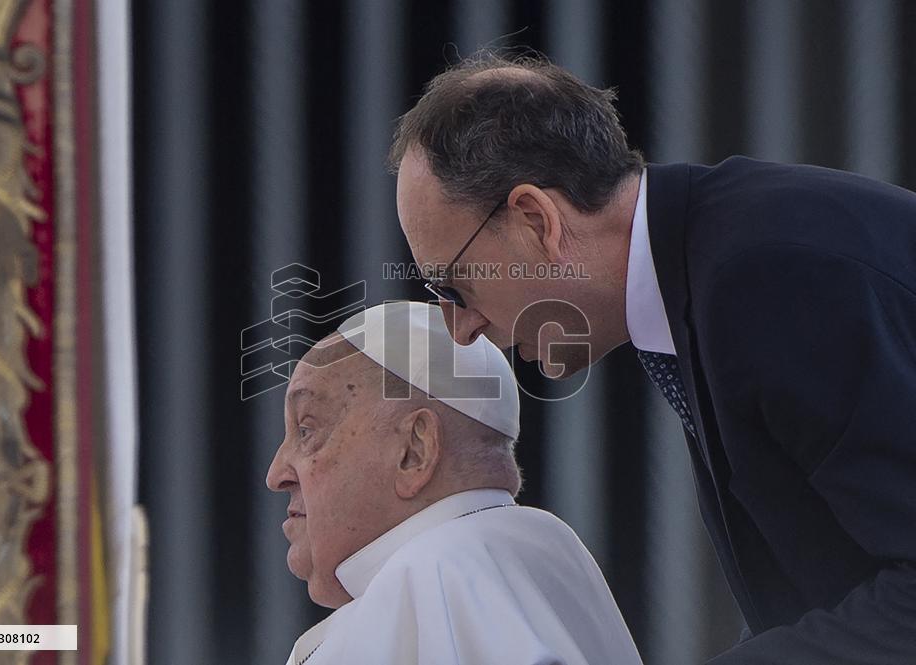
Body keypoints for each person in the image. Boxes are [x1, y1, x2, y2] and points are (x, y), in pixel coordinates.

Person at [391, 53, 916, 664]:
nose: (461, 329)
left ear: (536, 220)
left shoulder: (767, 277)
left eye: (453, 286)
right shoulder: (712, 260)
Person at [266, 301, 643, 665]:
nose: (276, 474)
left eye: (306, 429)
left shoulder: (442, 569)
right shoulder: (534, 550)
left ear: (414, 451)